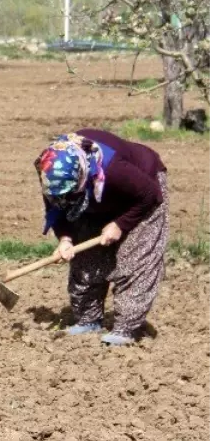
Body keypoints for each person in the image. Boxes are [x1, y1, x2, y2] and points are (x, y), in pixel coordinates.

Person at [36, 130, 169, 346]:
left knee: (134, 260)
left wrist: (120, 224)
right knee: (86, 259)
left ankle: (126, 328)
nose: (63, 198)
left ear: (81, 177)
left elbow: (150, 195)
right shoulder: (50, 169)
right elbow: (55, 207)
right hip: (95, 197)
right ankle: (88, 320)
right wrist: (65, 239)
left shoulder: (115, 169)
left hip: (142, 195)